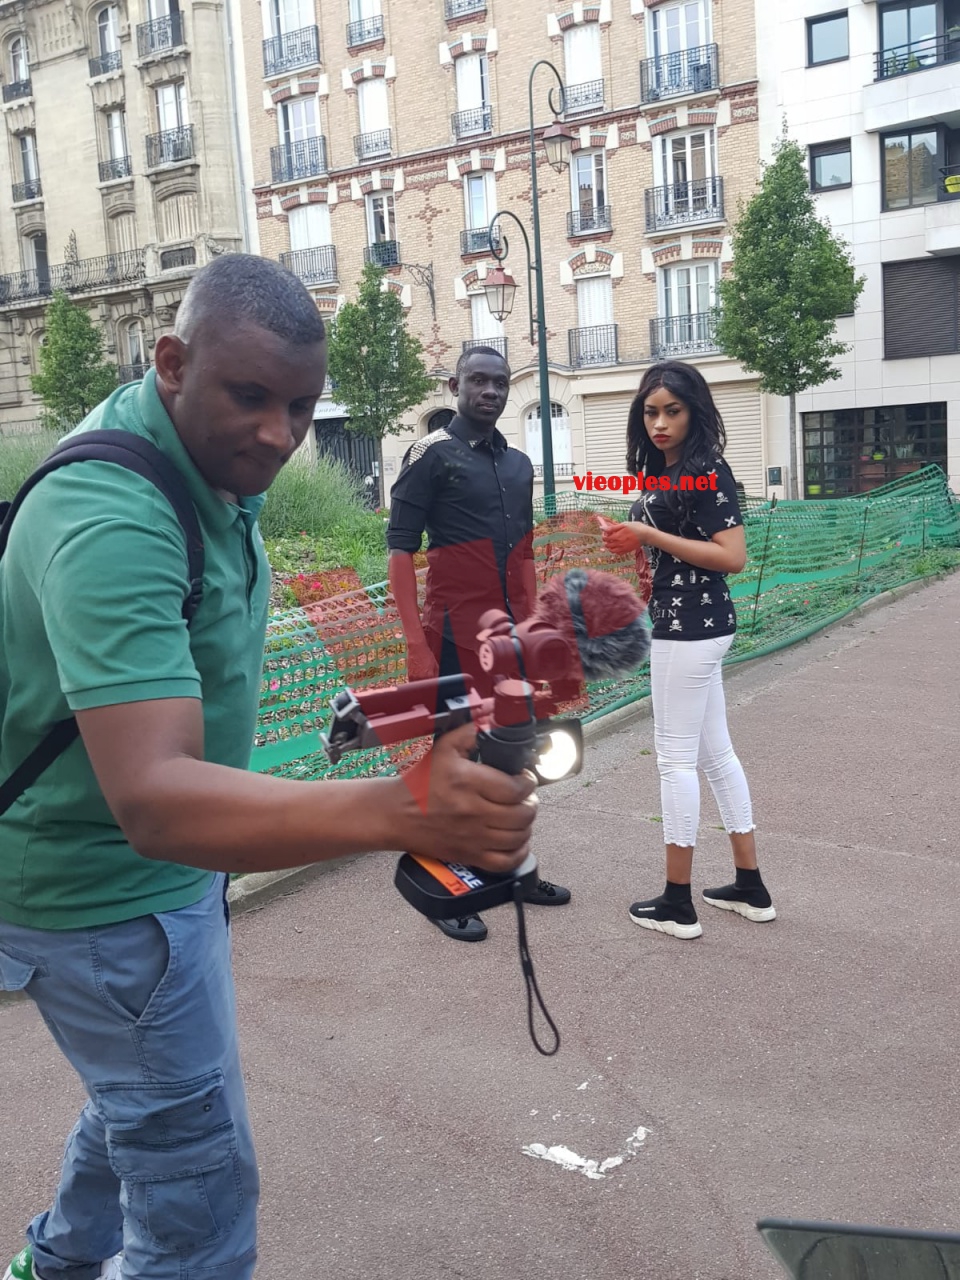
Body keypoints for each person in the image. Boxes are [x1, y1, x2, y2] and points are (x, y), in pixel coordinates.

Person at [0, 257, 538, 1280]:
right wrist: (401, 808)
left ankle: (54, 1263)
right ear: (171, 363)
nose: (281, 436)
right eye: (251, 396)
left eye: (299, 406)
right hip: (110, 896)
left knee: (147, 1105)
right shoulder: (114, 514)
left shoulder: (206, 459)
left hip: (151, 884)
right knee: (199, 1207)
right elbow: (156, 799)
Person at [386, 345, 570, 943]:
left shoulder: (519, 464)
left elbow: (523, 555)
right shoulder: (430, 455)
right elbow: (400, 551)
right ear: (454, 385)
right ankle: (443, 879)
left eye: (498, 383)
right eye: (478, 382)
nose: (490, 392)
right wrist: (415, 642)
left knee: (516, 757)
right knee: (452, 758)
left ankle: (509, 868)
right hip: (451, 638)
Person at [599, 360, 774, 940]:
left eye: (672, 410)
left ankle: (678, 902)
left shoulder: (708, 471)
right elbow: (672, 546)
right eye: (650, 411)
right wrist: (629, 537)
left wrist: (646, 534)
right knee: (715, 754)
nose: (660, 423)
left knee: (675, 758)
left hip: (690, 631)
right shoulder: (668, 471)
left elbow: (732, 556)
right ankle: (749, 887)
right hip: (690, 626)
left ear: (695, 411)